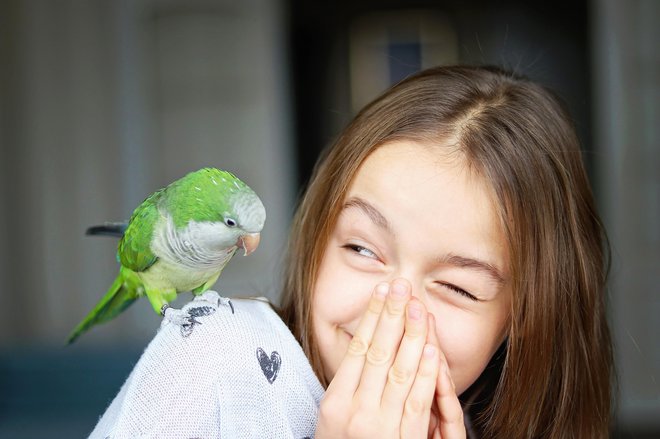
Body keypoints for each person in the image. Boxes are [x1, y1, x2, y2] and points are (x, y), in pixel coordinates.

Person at [91, 65, 613, 438]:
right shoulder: (212, 358)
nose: (389, 307)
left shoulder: (460, 421)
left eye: (457, 286)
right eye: (362, 248)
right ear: (318, 237)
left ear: (523, 316)